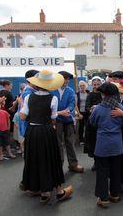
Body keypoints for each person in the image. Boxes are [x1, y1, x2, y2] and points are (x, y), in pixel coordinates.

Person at [19, 70, 73, 204]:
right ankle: (59, 191)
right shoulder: (53, 98)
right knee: (51, 158)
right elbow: (54, 117)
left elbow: (22, 116)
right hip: (47, 131)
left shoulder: (28, 97)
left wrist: (23, 105)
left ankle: (42, 191)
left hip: (32, 131)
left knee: (34, 158)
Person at [89, 82, 123, 208]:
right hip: (117, 145)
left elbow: (92, 122)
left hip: (102, 145)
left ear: (104, 94)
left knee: (102, 172)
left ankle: (103, 198)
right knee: (115, 170)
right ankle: (115, 194)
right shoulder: (120, 108)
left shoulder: (98, 108)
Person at [53, 71, 83, 173]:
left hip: (68, 119)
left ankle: (73, 164)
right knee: (57, 143)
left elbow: (72, 103)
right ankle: (58, 166)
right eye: (64, 78)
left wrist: (68, 110)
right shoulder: (52, 90)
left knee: (70, 142)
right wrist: (60, 112)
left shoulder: (70, 91)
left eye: (68, 78)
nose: (67, 80)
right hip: (56, 120)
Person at [84, 76, 103, 171]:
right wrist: (91, 108)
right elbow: (86, 107)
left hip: (102, 123)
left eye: (98, 84)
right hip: (92, 123)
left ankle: (102, 162)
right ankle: (96, 162)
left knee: (102, 143)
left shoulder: (103, 95)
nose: (96, 86)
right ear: (92, 85)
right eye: (94, 84)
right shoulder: (90, 95)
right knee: (94, 143)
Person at [75, 80, 89, 145]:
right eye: (81, 86)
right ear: (79, 87)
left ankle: (87, 139)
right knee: (81, 126)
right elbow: (75, 105)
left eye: (83, 85)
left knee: (88, 126)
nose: (82, 87)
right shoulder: (77, 94)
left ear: (85, 86)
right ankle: (81, 140)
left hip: (87, 112)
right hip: (80, 112)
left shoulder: (88, 93)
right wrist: (79, 113)